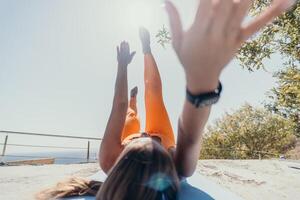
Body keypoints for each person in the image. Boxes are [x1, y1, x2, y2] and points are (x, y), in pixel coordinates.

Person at [36, 0, 296, 199]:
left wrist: (122, 66)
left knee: (129, 112)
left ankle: (134, 103)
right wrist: (202, 82)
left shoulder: (108, 159)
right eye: (155, 154)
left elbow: (117, 105)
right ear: (169, 170)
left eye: (134, 154)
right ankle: (148, 55)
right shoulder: (179, 164)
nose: (146, 139)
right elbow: (191, 133)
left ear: (119, 166)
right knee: (154, 96)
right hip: (167, 138)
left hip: (135, 140)